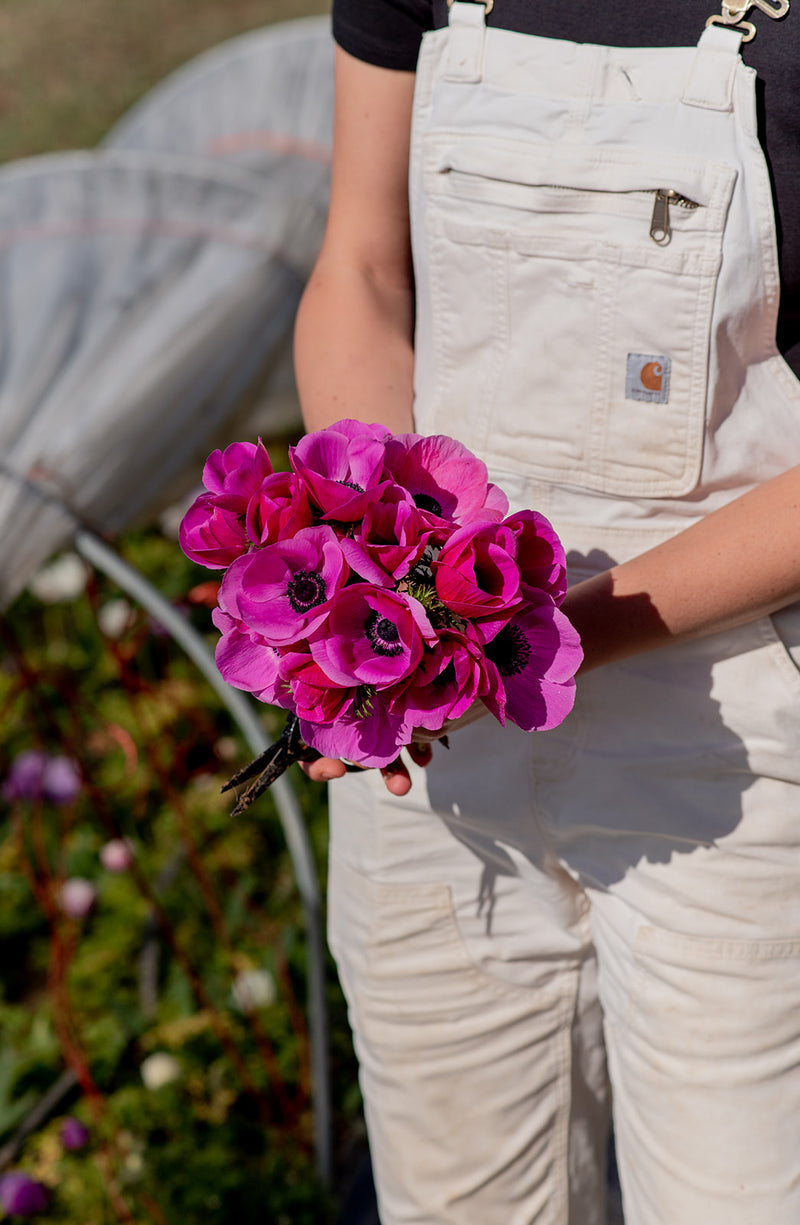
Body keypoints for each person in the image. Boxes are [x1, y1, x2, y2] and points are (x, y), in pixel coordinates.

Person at [293, 3, 800, 1222]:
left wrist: (543, 638)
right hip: (435, 749)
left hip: (733, 736)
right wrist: (371, 590)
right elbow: (361, 266)